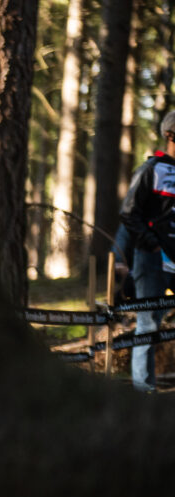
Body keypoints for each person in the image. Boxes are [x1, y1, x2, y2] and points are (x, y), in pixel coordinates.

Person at [116, 110, 175, 392]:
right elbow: (128, 213)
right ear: (170, 134)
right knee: (148, 325)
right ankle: (143, 391)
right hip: (151, 260)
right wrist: (151, 242)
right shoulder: (151, 169)